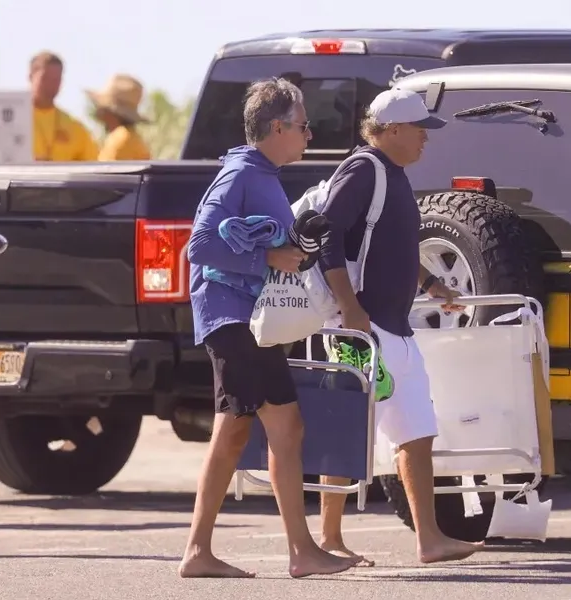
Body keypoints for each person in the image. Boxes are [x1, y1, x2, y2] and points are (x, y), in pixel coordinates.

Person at [179, 78, 358, 579]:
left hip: (248, 322)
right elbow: (199, 247)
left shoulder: (262, 173)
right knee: (270, 427)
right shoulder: (240, 172)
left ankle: (223, 552)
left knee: (249, 429)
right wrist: (268, 254)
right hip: (233, 319)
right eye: (303, 126)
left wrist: (292, 248)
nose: (308, 134)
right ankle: (292, 551)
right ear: (277, 127)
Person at [316, 88, 484, 565]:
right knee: (349, 429)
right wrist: (349, 308)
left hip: (394, 327)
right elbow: (324, 234)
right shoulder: (363, 169)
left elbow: (391, 244)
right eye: (419, 131)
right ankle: (328, 538)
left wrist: (430, 283)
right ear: (391, 131)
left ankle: (429, 540)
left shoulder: (394, 174)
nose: (425, 141)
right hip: (360, 328)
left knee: (416, 432)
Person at [29, 51, 98, 161]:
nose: (51, 85)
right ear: (30, 77)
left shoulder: (75, 128)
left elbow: (92, 167)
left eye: (56, 79)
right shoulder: (14, 121)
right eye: (45, 79)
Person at [86, 74, 152, 160]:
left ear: (110, 111)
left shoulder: (120, 139)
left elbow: (105, 171)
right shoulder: (130, 137)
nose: (98, 111)